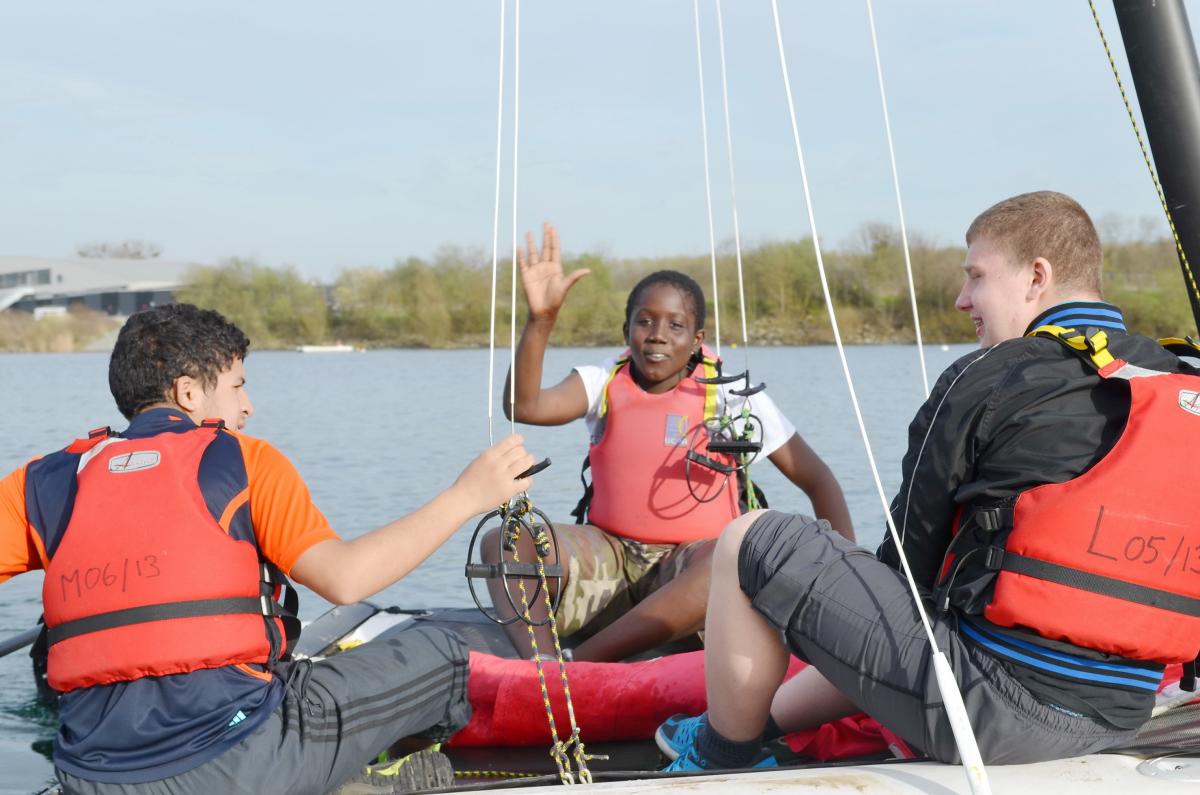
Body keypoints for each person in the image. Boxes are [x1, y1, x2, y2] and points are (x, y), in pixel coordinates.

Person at [657, 190, 1200, 770]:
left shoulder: (989, 374)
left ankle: (720, 755)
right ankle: (760, 723)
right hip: (1126, 712)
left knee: (750, 540)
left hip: (990, 717)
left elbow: (900, 580)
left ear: (1037, 277)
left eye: (976, 276)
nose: (962, 298)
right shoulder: (1180, 377)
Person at [0, 304, 536, 794]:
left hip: (90, 776)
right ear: (188, 393)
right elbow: (345, 578)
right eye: (237, 386)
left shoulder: (43, 481)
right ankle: (375, 778)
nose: (248, 406)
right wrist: (467, 497)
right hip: (240, 763)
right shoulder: (243, 460)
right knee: (443, 656)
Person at [486, 223, 853, 662]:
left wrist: (843, 582)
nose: (658, 334)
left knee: (738, 557)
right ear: (626, 330)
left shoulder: (732, 397)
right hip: (610, 561)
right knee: (505, 538)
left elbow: (818, 480)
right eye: (645, 321)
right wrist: (541, 320)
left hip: (691, 573)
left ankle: (581, 666)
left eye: (676, 325)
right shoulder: (601, 381)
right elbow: (523, 405)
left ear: (697, 340)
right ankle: (542, 664)